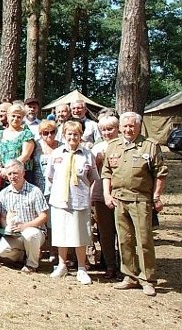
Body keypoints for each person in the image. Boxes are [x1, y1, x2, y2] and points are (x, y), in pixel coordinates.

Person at [102, 112, 167, 297]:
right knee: (125, 240)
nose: (128, 129)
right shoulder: (114, 146)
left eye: (132, 126)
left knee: (144, 240)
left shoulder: (150, 146)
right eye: (125, 126)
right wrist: (107, 194)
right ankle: (129, 276)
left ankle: (148, 279)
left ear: (138, 127)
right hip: (118, 200)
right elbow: (106, 173)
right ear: (120, 128)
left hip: (141, 201)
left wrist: (156, 197)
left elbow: (160, 173)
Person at [45, 121, 100, 285]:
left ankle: (82, 268)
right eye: (69, 134)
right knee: (61, 233)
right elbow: (50, 176)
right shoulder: (56, 154)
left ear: (80, 136)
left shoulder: (87, 155)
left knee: (80, 234)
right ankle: (62, 265)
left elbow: (93, 178)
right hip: (60, 199)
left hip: (79, 200)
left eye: (76, 134)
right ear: (64, 135)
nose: (72, 137)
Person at [0, 160, 49, 273]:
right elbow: (2, 216)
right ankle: (23, 256)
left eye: (15, 173)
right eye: (9, 174)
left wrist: (25, 226)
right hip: (15, 234)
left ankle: (32, 265)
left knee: (30, 234)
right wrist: (7, 228)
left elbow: (44, 216)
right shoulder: (3, 194)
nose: (12, 177)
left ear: (23, 173)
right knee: (0, 251)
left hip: (35, 232)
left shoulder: (35, 191)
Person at [90, 114, 120, 279]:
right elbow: (91, 173)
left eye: (110, 129)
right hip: (101, 191)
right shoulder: (97, 147)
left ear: (118, 128)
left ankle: (125, 265)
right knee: (105, 232)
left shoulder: (124, 145)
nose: (107, 132)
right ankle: (110, 265)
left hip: (121, 191)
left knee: (123, 232)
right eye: (104, 130)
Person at [0, 103, 35, 185]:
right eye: (13, 116)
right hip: (2, 176)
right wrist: (0, 170)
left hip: (21, 176)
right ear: (8, 116)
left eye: (19, 117)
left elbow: (25, 156)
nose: (15, 119)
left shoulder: (26, 134)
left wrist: (9, 170)